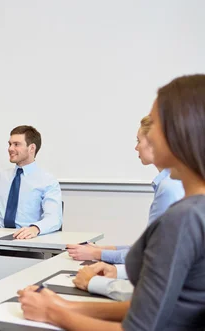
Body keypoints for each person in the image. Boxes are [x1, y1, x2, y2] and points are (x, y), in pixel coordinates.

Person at [18, 74, 205, 330]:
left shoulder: (184, 217)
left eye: (155, 125)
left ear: (180, 131)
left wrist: (53, 314)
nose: (147, 136)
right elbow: (160, 306)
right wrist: (65, 305)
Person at [66, 116, 184, 264]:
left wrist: (97, 254)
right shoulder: (171, 182)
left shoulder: (169, 187)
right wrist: (103, 249)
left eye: (138, 141)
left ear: (154, 144)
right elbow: (147, 246)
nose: (136, 147)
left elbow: (150, 253)